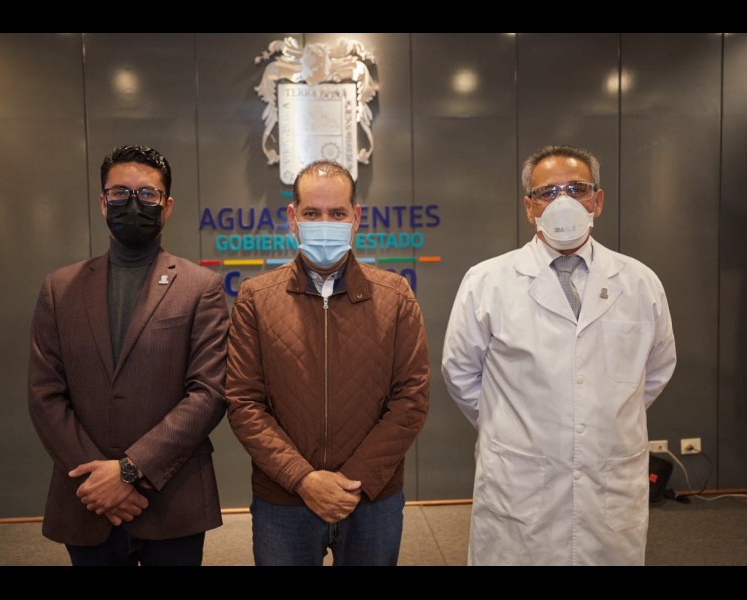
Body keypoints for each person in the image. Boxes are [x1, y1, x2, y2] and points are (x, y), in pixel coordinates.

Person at [441, 144, 677, 566]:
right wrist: (512, 423)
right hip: (520, 480)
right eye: (547, 192)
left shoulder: (640, 282)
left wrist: (601, 415)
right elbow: (460, 372)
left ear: (597, 201)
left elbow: (657, 369)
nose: (562, 201)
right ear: (529, 208)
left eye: (577, 189)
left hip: (609, 480)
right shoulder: (487, 281)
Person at [27, 145, 230, 566]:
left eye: (147, 194)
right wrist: (97, 478)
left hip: (173, 498)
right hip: (87, 497)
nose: (132, 203)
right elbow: (45, 395)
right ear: (103, 202)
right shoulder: (59, 289)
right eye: (119, 193)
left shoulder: (201, 287)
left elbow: (208, 394)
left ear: (167, 206)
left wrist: (128, 470)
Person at [226, 159, 430, 566]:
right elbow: (244, 402)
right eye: (312, 213)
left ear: (356, 218)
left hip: (372, 498)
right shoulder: (256, 298)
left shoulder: (395, 296)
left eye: (337, 214)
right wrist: (303, 479)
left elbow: (411, 400)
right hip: (284, 500)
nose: (325, 223)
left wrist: (353, 480)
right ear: (292, 218)